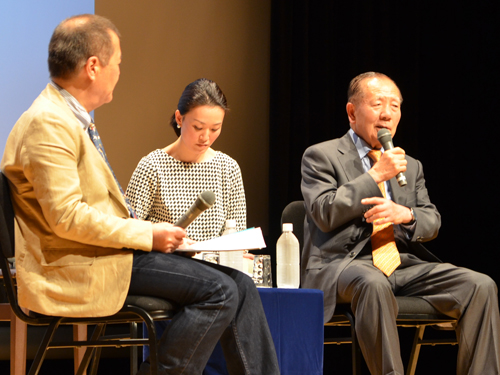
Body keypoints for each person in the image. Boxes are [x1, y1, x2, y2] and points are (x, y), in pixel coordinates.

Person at [1, 14, 279, 375]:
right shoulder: (47, 123)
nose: (120, 70)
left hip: (105, 255)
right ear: (93, 67)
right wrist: (147, 233)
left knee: (239, 284)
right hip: (78, 266)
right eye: (117, 63)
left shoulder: (69, 118)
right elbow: (66, 217)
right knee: (221, 291)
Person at [300, 71, 500, 375]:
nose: (387, 114)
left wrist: (405, 215)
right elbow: (323, 212)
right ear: (352, 112)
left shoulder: (410, 165)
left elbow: (431, 219)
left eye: (395, 106)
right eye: (378, 103)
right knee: (372, 283)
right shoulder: (321, 155)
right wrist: (375, 176)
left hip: (399, 264)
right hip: (340, 266)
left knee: (481, 285)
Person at [126, 78, 246, 241]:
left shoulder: (228, 168)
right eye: (198, 127)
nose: (205, 137)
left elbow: (238, 236)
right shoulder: (153, 166)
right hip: (167, 263)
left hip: (214, 264)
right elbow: (128, 229)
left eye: (215, 129)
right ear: (179, 118)